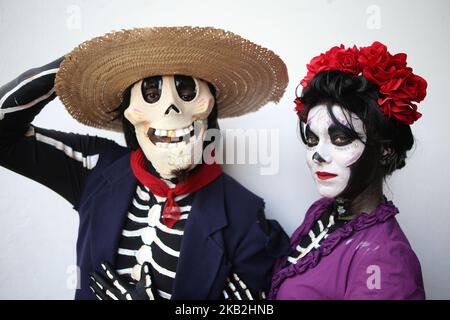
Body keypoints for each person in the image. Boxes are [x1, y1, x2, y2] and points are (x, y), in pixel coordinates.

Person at [0, 26, 290, 300]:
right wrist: (75, 66)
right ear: (130, 114)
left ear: (208, 108)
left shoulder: (246, 217)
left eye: (188, 93)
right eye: (151, 95)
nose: (172, 107)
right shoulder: (97, 167)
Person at [269, 42, 427, 299]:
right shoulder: (324, 211)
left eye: (340, 139)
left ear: (384, 149)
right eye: (312, 140)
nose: (318, 155)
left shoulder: (385, 261)